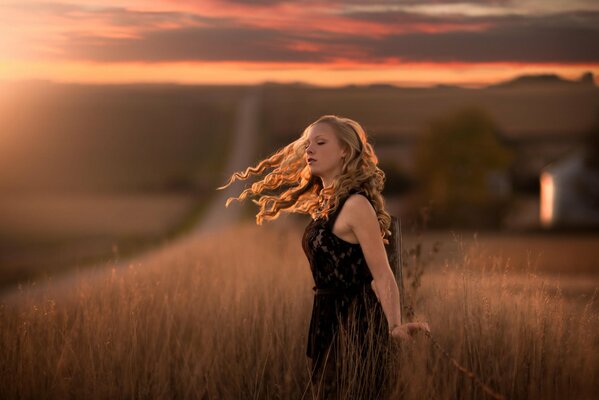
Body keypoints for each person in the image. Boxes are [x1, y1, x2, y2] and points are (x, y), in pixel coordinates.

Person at [218, 115, 430, 399]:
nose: (309, 150)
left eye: (320, 143)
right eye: (307, 145)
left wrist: (394, 326)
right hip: (326, 321)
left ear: (344, 150)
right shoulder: (326, 204)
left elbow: (381, 273)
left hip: (356, 324)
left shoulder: (355, 205)